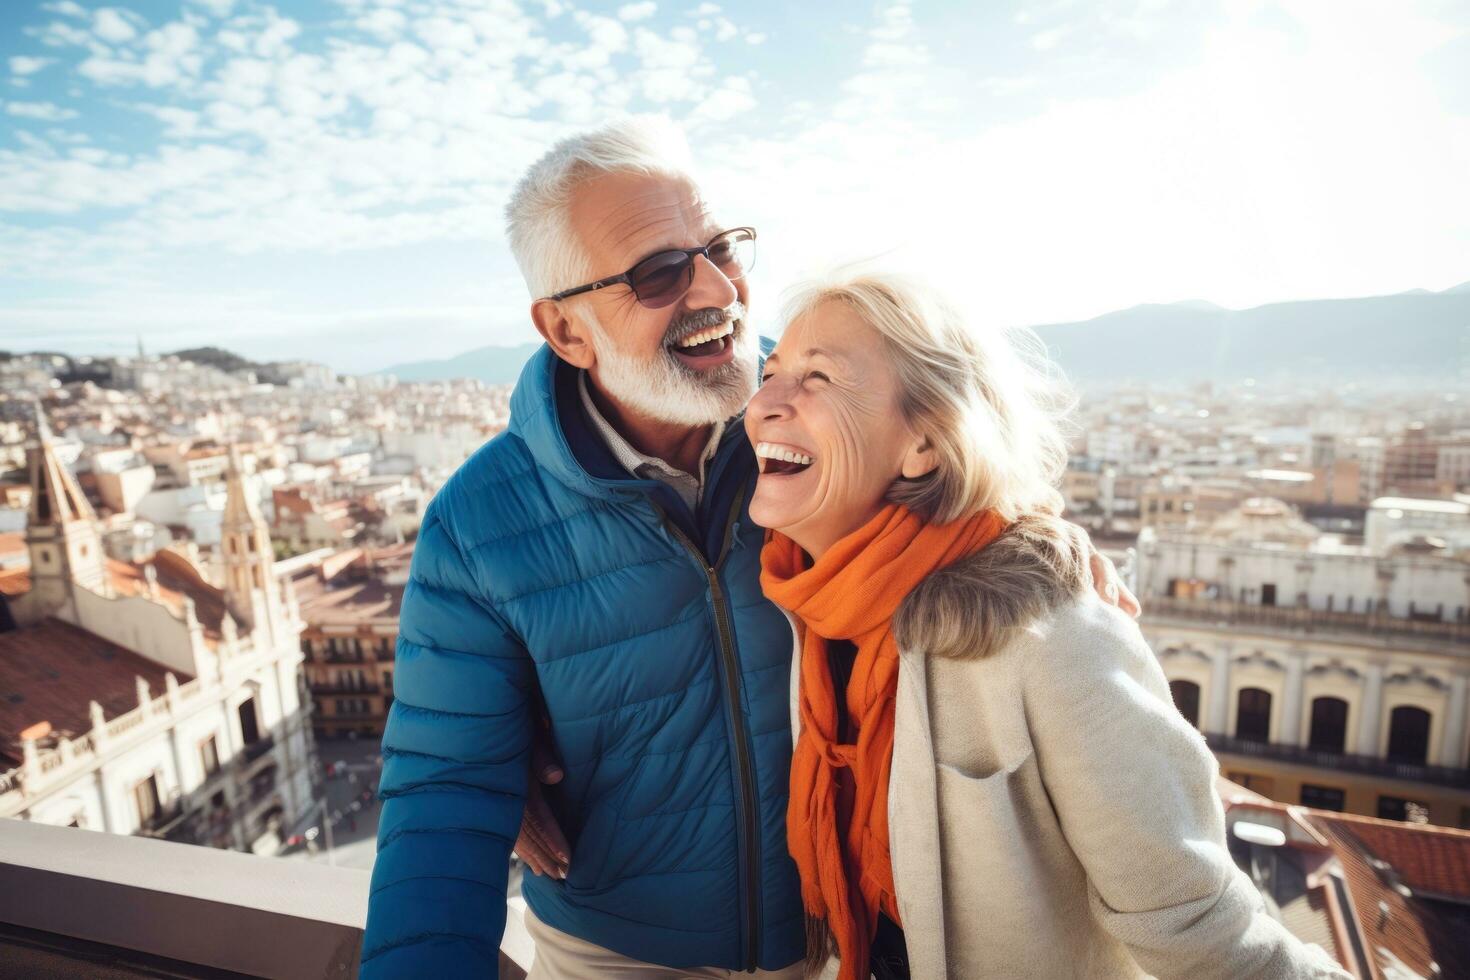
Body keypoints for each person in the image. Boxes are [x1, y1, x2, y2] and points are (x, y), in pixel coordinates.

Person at [359, 119, 1133, 978]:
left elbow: (952, 470)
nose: (714, 289)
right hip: (616, 952)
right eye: (657, 272)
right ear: (567, 332)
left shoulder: (820, 423)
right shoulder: (478, 525)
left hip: (828, 938)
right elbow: (443, 796)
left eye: (720, 247)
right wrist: (500, 765)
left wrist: (1040, 543)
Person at [749, 272, 1351, 980]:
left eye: (817, 376)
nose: (762, 405)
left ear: (925, 444)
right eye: (770, 372)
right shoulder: (804, 597)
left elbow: (1202, 932)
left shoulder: (1051, 636)